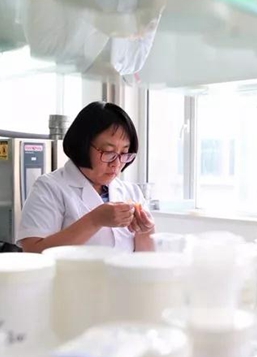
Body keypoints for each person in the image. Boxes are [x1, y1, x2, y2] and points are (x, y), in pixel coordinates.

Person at [18, 101, 155, 253]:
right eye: (108, 152)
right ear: (82, 145)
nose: (116, 164)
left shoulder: (131, 192)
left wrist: (145, 230)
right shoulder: (49, 187)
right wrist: (94, 220)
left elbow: (144, 258)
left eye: (124, 153)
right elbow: (33, 251)